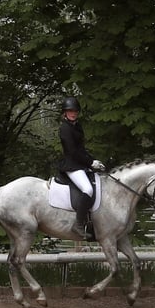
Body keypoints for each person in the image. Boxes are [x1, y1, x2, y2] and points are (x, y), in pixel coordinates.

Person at [58, 96, 105, 238]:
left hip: (80, 164)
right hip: (71, 165)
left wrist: (93, 161)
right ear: (65, 112)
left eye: (75, 111)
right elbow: (72, 152)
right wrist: (90, 163)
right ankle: (78, 224)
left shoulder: (77, 126)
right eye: (70, 111)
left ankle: (93, 222)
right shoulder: (65, 129)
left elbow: (81, 149)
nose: (73, 113)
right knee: (88, 189)